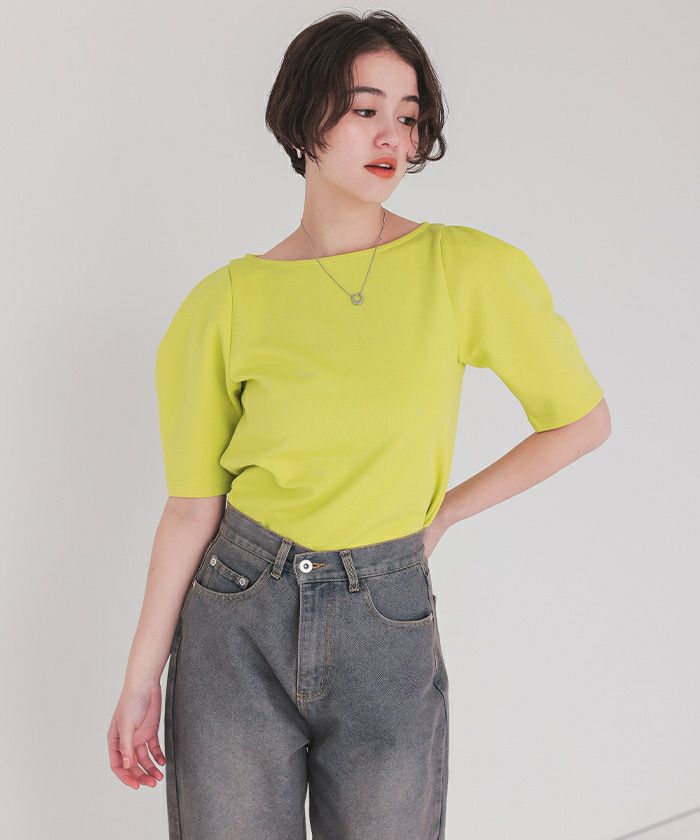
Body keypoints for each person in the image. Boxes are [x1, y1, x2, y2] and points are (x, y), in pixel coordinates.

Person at [107, 9, 611, 839]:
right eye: (364, 109)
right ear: (303, 116)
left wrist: (443, 514)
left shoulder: (464, 268)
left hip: (386, 612)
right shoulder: (223, 304)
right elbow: (192, 508)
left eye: (408, 117)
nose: (392, 138)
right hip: (238, 615)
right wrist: (139, 680)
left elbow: (581, 422)